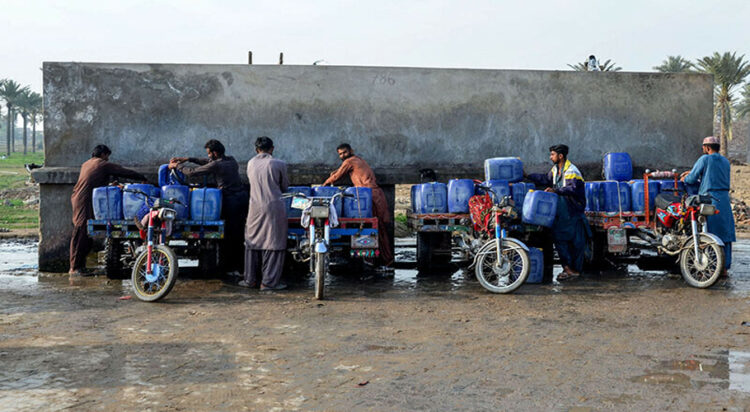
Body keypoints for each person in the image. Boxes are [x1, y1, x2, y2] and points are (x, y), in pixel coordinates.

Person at [169, 139, 248, 276]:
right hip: (242, 198)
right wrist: (188, 158)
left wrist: (177, 166)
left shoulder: (217, 165)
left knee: (228, 236)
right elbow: (208, 163)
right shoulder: (231, 160)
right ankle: (240, 267)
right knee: (239, 235)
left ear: (215, 153)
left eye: (209, 153)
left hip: (230, 201)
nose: (208, 156)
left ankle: (231, 268)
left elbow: (193, 172)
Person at [69, 144, 147, 276]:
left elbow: (94, 181)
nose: (108, 159)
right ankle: (74, 269)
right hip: (84, 200)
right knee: (80, 231)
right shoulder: (102, 164)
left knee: (85, 233)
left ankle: (80, 266)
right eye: (107, 156)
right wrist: (142, 178)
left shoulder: (87, 164)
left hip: (80, 198)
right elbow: (123, 171)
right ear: (103, 154)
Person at [323, 143, 394, 271]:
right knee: (379, 229)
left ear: (351, 151)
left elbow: (336, 176)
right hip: (372, 195)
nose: (343, 155)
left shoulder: (350, 161)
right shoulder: (357, 161)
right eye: (340, 154)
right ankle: (381, 262)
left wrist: (324, 185)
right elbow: (339, 172)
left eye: (344, 152)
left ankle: (384, 261)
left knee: (377, 230)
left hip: (368, 195)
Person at [526, 144, 591, 280]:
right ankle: (568, 269)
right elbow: (546, 179)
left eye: (552, 155)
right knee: (561, 240)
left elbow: (572, 189)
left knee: (577, 243)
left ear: (560, 156)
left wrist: (555, 190)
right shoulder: (556, 170)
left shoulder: (572, 170)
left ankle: (574, 270)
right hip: (562, 213)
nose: (550, 157)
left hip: (572, 211)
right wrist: (528, 176)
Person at [680, 136, 736, 275]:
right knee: (725, 234)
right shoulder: (725, 161)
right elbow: (713, 176)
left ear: (707, 147)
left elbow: (692, 179)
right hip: (724, 199)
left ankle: (710, 266)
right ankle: (724, 268)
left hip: (709, 199)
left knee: (707, 232)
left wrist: (685, 178)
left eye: (703, 147)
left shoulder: (704, 159)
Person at [241, 136, 289, 290]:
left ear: (256, 150)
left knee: (252, 241)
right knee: (274, 242)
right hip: (274, 206)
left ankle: (250, 280)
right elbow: (285, 186)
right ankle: (268, 283)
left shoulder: (250, 163)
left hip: (254, 207)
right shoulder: (279, 164)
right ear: (272, 149)